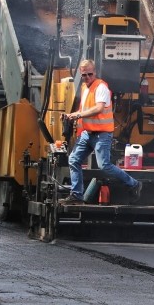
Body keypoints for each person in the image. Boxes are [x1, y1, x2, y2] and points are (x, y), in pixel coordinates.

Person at [60, 59, 142, 205]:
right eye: (84, 75)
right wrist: (71, 115)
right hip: (87, 133)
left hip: (101, 134)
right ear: (81, 74)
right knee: (73, 160)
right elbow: (84, 110)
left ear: (95, 72)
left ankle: (134, 184)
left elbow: (98, 108)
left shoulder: (101, 87)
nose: (87, 78)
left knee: (104, 165)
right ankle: (77, 196)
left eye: (90, 74)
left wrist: (78, 115)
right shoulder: (85, 88)